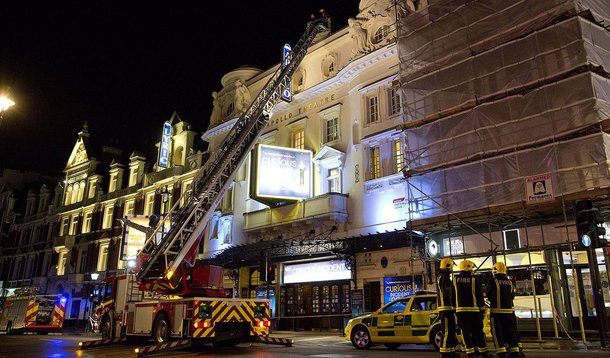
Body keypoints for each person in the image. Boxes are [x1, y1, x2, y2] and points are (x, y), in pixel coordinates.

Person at [454, 260, 492, 358]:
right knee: (478, 331)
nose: (472, 271)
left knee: (465, 332)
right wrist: (482, 309)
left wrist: (455, 309)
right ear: (469, 268)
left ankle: (469, 352)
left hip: (461, 311)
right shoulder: (474, 280)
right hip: (474, 311)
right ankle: (483, 352)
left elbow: (452, 296)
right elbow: (479, 296)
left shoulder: (455, 280)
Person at [486, 262, 520, 358]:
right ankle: (514, 350)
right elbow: (512, 295)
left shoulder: (493, 281)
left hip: (496, 312)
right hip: (508, 311)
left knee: (497, 332)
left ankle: (501, 352)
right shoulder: (509, 282)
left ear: (494, 270)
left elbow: (488, 293)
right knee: (510, 331)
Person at [436, 257, 458, 358]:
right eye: (452, 266)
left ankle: (450, 351)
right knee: (447, 331)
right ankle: (444, 353)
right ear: (448, 266)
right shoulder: (442, 277)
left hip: (448, 308)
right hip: (445, 308)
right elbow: (447, 291)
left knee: (451, 330)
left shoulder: (444, 276)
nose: (452, 268)